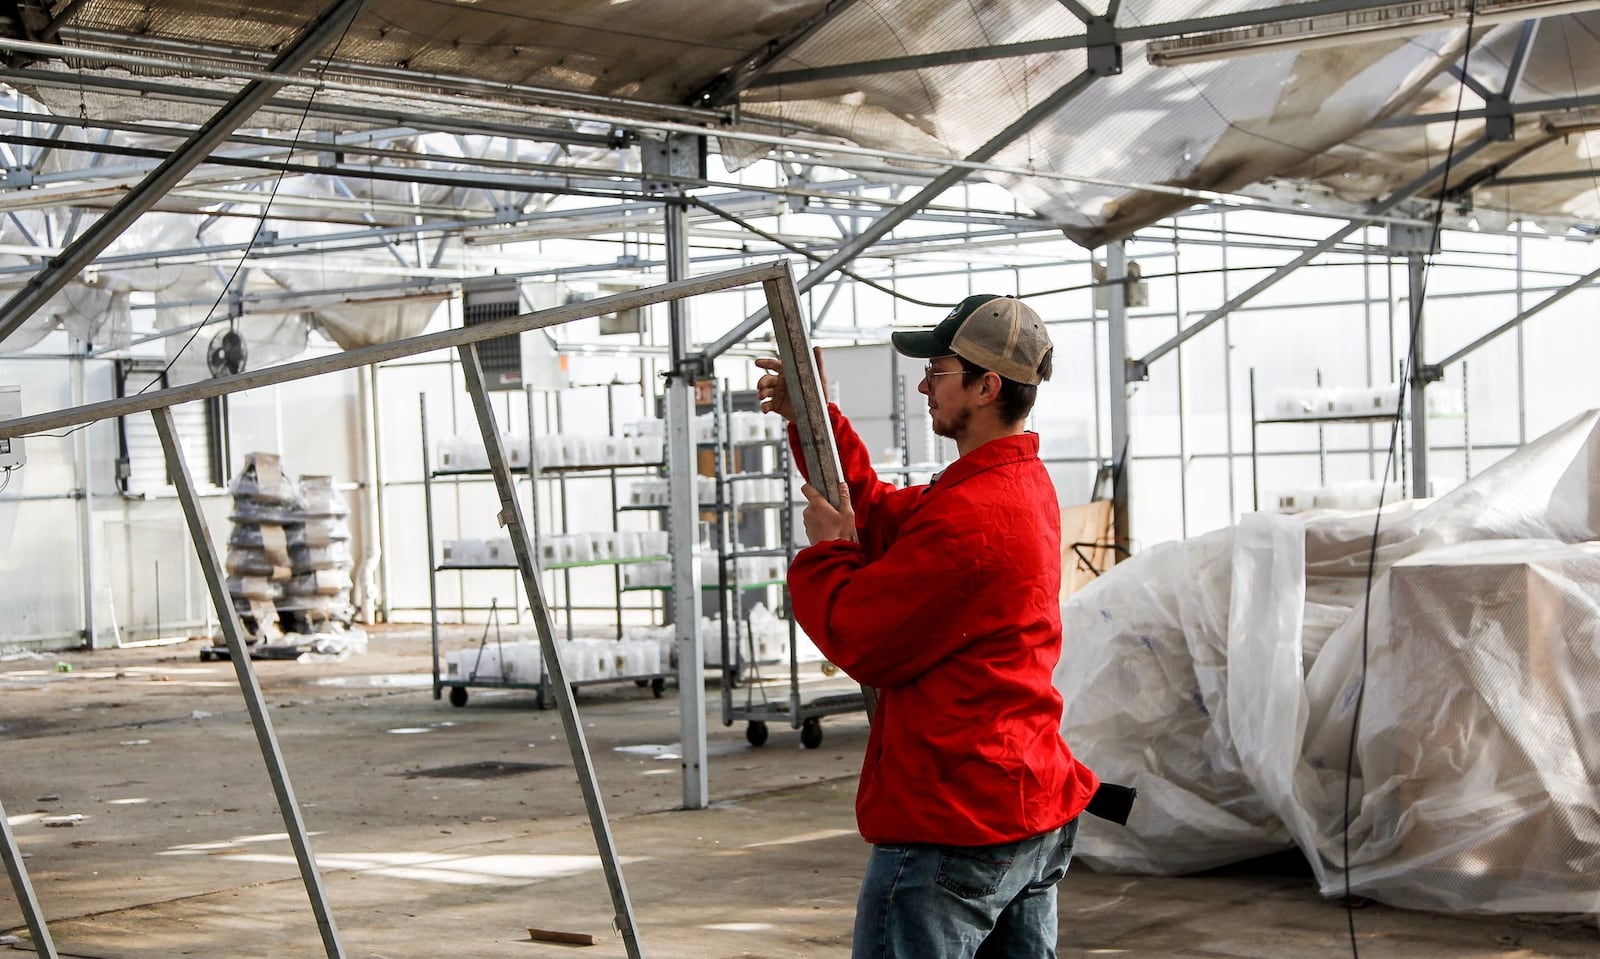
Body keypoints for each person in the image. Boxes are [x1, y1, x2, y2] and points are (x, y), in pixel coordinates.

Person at [754, 293, 1100, 959]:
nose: (923, 385)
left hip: (957, 820)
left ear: (986, 385)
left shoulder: (973, 516)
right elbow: (880, 512)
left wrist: (826, 552)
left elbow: (862, 633)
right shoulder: (1011, 484)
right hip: (1023, 805)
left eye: (938, 371)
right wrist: (815, 420)